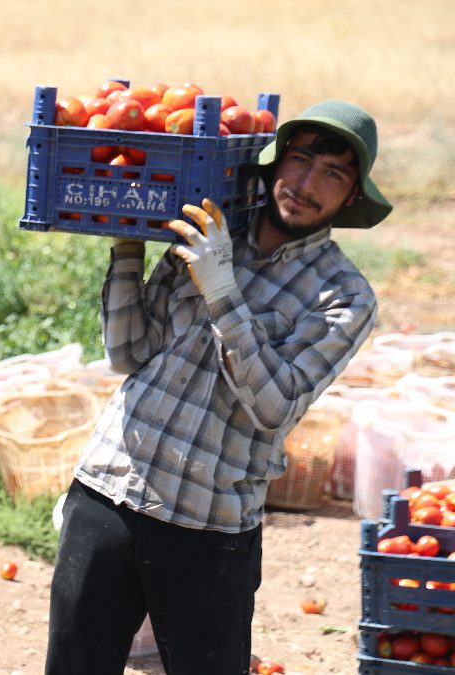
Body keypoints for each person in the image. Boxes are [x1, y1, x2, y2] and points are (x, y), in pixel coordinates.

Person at [44, 99, 392, 674]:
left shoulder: (344, 296)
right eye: (300, 160)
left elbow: (275, 405)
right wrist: (128, 246)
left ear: (351, 196)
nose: (305, 184)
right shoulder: (206, 229)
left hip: (209, 526)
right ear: (275, 163)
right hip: (109, 488)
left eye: (332, 173)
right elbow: (129, 354)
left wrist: (222, 290)